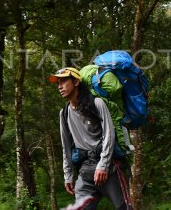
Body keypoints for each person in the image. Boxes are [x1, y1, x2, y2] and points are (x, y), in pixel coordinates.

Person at [49, 67, 132, 209]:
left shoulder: (97, 103)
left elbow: (109, 135)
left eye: (63, 81)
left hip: (109, 169)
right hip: (85, 172)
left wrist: (103, 166)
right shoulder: (64, 113)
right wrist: (68, 175)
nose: (59, 86)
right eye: (58, 83)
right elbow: (66, 147)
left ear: (76, 82)